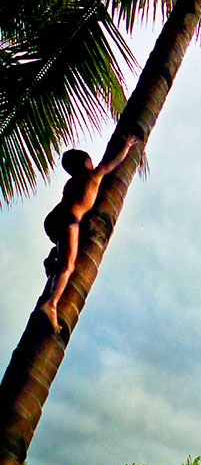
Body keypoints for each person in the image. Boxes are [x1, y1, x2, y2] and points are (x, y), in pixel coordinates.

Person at [39, 135, 137, 332]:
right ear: (86, 164)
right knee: (68, 266)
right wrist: (126, 145)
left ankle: (52, 257)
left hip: (54, 220)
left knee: (63, 249)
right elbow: (114, 163)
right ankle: (51, 303)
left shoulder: (71, 183)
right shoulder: (93, 177)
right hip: (69, 221)